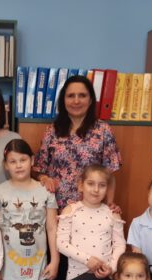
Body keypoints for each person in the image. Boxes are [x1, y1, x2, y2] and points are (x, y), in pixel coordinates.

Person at [34, 75, 121, 210]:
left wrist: (109, 205)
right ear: (63, 100)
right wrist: (44, 179)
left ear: (91, 99)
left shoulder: (103, 130)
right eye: (70, 96)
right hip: (55, 208)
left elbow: (110, 174)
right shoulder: (52, 131)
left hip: (91, 208)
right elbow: (39, 170)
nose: (76, 101)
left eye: (82, 95)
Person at [0, 138, 59, 280]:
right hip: (7, 269)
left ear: (32, 160)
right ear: (6, 165)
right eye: (13, 161)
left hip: (37, 267)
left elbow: (52, 228)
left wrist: (55, 261)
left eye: (23, 160)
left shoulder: (45, 191)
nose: (19, 165)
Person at [56, 164, 125, 280]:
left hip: (105, 276)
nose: (96, 189)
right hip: (77, 276)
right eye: (90, 184)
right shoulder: (70, 210)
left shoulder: (112, 213)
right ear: (81, 185)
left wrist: (111, 268)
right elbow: (61, 243)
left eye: (102, 185)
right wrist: (87, 260)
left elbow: (120, 245)